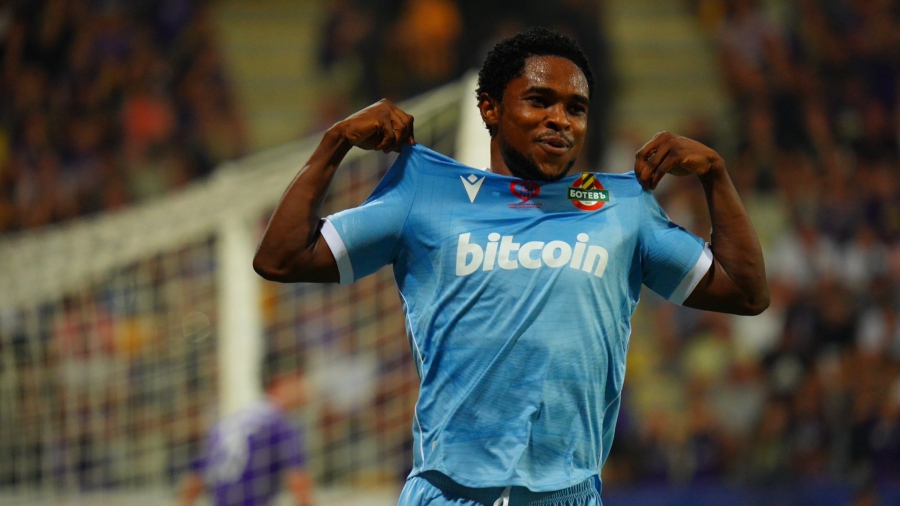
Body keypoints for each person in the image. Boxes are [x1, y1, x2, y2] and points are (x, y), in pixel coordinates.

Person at [254, 27, 768, 506]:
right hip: (446, 491)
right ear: (490, 108)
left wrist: (715, 175)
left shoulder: (623, 208)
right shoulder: (424, 193)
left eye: (576, 108)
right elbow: (281, 257)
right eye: (539, 100)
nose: (560, 119)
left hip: (566, 493)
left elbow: (745, 293)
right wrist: (337, 142)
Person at [177, 364, 314, 506]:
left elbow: (194, 480)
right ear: (280, 383)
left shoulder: (227, 423)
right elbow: (298, 481)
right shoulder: (281, 425)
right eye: (299, 380)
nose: (306, 387)